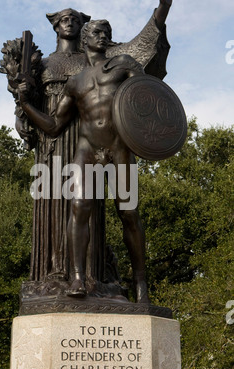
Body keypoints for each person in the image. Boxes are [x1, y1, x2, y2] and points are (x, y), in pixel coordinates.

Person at [18, 19, 150, 303]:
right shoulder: (76, 82)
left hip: (120, 147)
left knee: (129, 214)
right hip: (87, 148)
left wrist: (162, 9)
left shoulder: (123, 64)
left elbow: (147, 96)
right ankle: (77, 277)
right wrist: (26, 104)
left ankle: (140, 281)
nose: (103, 37)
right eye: (97, 33)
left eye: (107, 34)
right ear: (85, 39)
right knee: (79, 208)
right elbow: (54, 125)